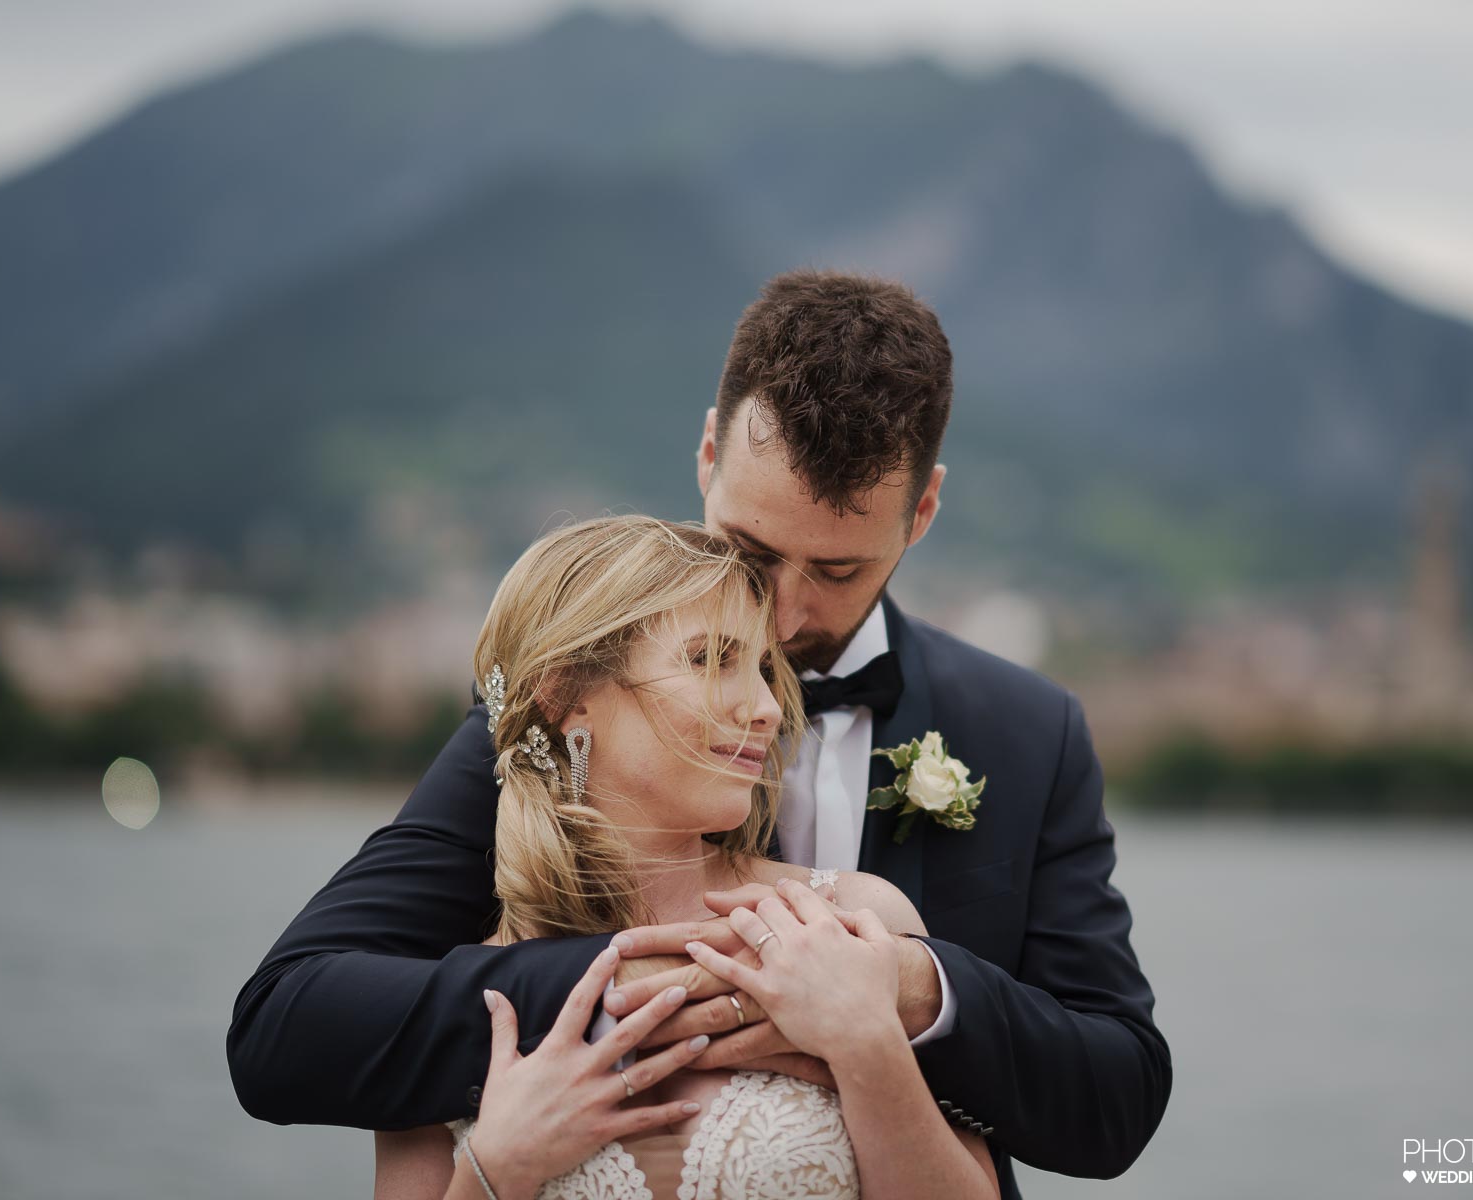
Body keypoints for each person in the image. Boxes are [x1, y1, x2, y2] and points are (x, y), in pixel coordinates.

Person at [229, 271, 1171, 1198]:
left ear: (920, 513)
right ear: (708, 455)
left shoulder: (1026, 733)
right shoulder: (561, 703)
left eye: (838, 570)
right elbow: (287, 1029)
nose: (785, 615)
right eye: (754, 553)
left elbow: (1116, 1097)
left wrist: (906, 993)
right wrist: (658, 986)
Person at [373, 515, 998, 1199]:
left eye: (763, 668)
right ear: (566, 701)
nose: (766, 707)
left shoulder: (854, 918)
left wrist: (869, 1047)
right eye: (709, 659)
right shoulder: (447, 988)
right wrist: (493, 1168)